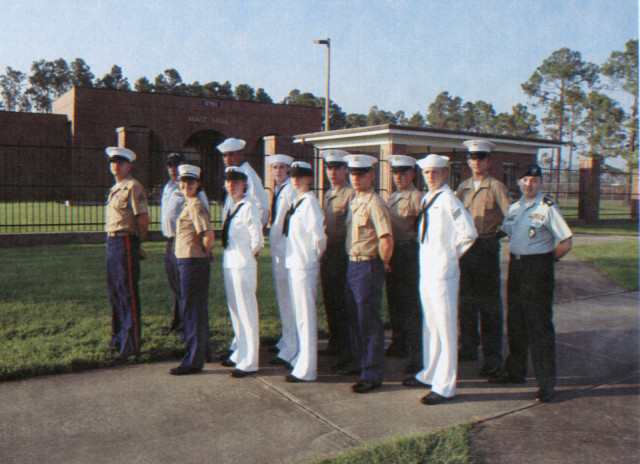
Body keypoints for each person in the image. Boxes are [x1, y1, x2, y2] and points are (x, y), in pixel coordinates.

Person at [489, 165, 573, 404]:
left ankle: (547, 383)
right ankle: (516, 372)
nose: (529, 184)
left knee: (539, 326)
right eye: (525, 180)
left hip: (538, 269)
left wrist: (549, 260)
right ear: (518, 183)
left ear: (540, 183)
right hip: (516, 267)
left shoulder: (547, 207)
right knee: (516, 322)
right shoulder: (515, 208)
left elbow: (566, 241)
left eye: (534, 180)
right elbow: (503, 231)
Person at [403, 154, 476, 406]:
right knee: (431, 325)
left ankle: (445, 385)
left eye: (435, 172)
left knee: (445, 329)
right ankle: (430, 373)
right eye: (426, 173)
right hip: (428, 271)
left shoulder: (448, 200)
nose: (430, 176)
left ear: (445, 174)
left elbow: (468, 232)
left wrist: (450, 255)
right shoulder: (427, 198)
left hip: (443, 273)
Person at [456, 140, 511, 378]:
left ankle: (493, 358)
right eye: (472, 158)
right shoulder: (463, 188)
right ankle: (468, 348)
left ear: (489, 162)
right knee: (466, 303)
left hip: (486, 247)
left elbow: (512, 216)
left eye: (481, 158)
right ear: (468, 161)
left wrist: (496, 236)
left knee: (489, 306)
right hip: (466, 250)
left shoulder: (496, 186)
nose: (476, 162)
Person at [343, 154, 394, 394]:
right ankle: (360, 364)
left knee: (369, 321)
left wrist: (381, 265)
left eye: (361, 173)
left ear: (371, 175)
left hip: (368, 265)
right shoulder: (355, 201)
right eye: (352, 173)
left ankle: (372, 374)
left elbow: (386, 238)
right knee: (355, 319)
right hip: (353, 265)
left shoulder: (374, 202)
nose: (355, 178)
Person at [282, 161, 327, 382]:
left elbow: (319, 237)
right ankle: (301, 359)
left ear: (310, 179)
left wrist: (311, 259)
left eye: (300, 176)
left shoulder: (310, 203)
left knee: (306, 318)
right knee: (299, 316)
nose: (295, 180)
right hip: (295, 264)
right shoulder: (297, 201)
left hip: (304, 266)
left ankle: (307, 369)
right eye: (292, 176)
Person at [104, 146, 149, 362]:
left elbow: (143, 219)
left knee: (127, 292)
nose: (115, 165)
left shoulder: (133, 186)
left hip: (125, 241)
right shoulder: (116, 187)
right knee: (114, 291)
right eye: (113, 162)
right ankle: (117, 337)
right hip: (112, 241)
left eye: (120, 162)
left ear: (128, 165)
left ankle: (131, 345)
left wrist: (137, 243)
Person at [169, 164, 215, 375]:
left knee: (192, 311)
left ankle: (193, 360)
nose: (187, 185)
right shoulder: (188, 203)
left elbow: (208, 234)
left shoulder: (195, 205)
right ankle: (203, 352)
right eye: (183, 181)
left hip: (192, 262)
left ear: (198, 185)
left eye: (191, 182)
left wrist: (202, 254)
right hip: (189, 260)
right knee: (196, 310)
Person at [220, 167, 265, 378]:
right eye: (228, 182)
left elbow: (258, 240)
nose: (231, 186)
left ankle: (250, 361)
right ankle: (241, 353)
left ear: (244, 184)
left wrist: (248, 256)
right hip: (230, 263)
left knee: (247, 313)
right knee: (236, 313)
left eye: (235, 182)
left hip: (243, 265)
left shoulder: (249, 207)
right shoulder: (233, 206)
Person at [160, 152, 209, 336]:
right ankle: (177, 323)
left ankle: (187, 328)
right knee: (175, 286)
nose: (173, 169)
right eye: (170, 165)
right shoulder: (169, 187)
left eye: (176, 165)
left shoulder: (192, 190)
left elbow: (202, 214)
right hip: (170, 240)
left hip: (185, 243)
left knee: (185, 288)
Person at [384, 155, 424, 375]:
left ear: (411, 174)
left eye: (403, 173)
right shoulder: (391, 197)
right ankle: (399, 343)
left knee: (410, 304)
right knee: (395, 301)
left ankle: (415, 349)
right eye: (395, 173)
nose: (398, 177)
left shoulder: (418, 198)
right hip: (393, 252)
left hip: (409, 252)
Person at [319, 149, 356, 371]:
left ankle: (347, 349)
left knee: (343, 304)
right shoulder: (327, 194)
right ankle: (335, 341)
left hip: (342, 252)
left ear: (345, 170)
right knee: (330, 299)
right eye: (329, 168)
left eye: (337, 168)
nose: (332, 172)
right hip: (329, 252)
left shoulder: (350, 194)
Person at [266, 154, 298, 367]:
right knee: (283, 298)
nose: (278, 171)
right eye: (274, 167)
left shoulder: (291, 189)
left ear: (288, 170)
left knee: (289, 300)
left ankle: (292, 348)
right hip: (279, 249)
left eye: (282, 167)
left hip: (287, 249)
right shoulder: (279, 189)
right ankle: (286, 340)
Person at [217, 138, 270, 226]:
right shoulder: (232, 172)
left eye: (231, 154)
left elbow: (262, 207)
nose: (227, 158)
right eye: (224, 155)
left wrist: (252, 231)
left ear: (241, 154)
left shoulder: (248, 174)